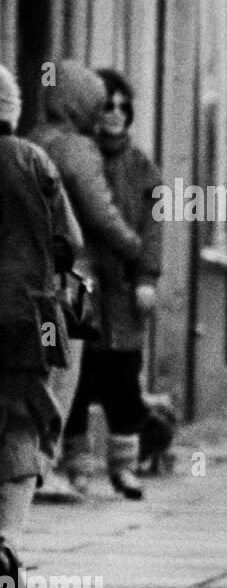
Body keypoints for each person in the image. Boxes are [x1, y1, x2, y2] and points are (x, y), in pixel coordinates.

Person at [29, 60, 142, 504]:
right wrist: (132, 244)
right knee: (63, 374)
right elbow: (99, 211)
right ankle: (44, 465)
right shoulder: (76, 149)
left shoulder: (32, 138)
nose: (101, 113)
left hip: (31, 275)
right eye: (96, 102)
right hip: (73, 278)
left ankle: (32, 464)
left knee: (35, 372)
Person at [60, 69, 163, 500]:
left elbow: (154, 228)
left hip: (122, 291)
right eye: (107, 105)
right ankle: (77, 467)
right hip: (81, 284)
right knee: (77, 380)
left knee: (123, 379)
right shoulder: (78, 156)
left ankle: (124, 467)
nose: (116, 114)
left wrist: (146, 278)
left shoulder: (143, 168)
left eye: (124, 107)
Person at [0, 64, 81, 588]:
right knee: (23, 422)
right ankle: (6, 546)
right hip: (30, 319)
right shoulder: (33, 159)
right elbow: (68, 240)